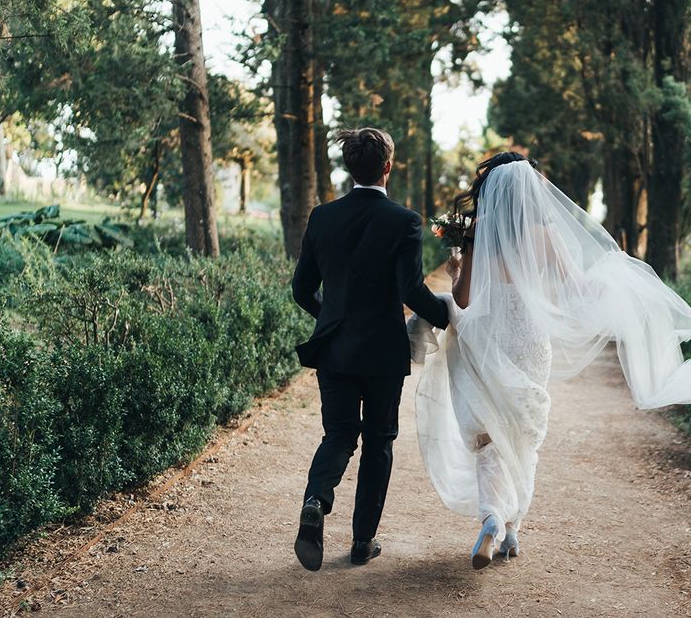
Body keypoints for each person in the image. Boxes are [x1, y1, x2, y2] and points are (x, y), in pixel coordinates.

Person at [411, 153, 691, 569]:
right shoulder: (545, 234)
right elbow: (573, 287)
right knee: (523, 434)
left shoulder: (477, 234)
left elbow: (464, 299)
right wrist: (612, 286)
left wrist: (455, 271)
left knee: (489, 432)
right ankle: (513, 528)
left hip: (487, 336)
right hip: (528, 339)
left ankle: (491, 518)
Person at [291, 127, 449, 571]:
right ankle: (362, 543)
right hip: (382, 352)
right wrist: (449, 315)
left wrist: (330, 317)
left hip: (335, 350)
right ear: (388, 166)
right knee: (379, 442)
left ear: (350, 166)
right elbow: (412, 290)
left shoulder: (322, 217)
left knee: (339, 434)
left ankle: (316, 501)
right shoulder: (405, 221)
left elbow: (302, 289)